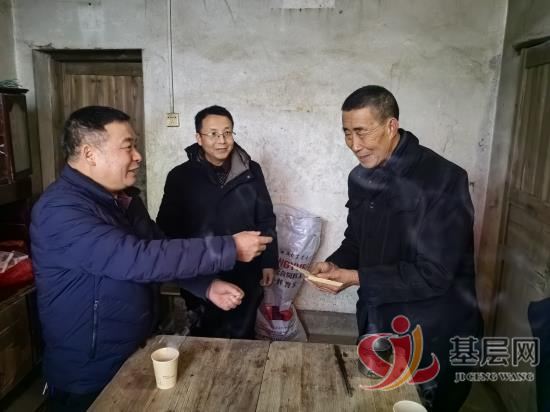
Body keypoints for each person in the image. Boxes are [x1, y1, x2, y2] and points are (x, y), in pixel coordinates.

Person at [30, 106, 272, 411]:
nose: (138, 156)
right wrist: (229, 248)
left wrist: (205, 285)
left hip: (131, 349)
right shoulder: (61, 211)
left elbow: (158, 245)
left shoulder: (122, 200)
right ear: (90, 153)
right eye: (128, 146)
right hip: (88, 368)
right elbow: (137, 259)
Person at [309, 86, 483, 412]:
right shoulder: (360, 178)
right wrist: (334, 266)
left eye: (362, 131)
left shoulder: (443, 180)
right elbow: (356, 241)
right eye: (347, 133)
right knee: (374, 402)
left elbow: (435, 274)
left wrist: (356, 277)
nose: (354, 145)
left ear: (391, 126)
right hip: (377, 322)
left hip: (431, 333)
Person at [157, 105, 278, 339]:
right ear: (199, 138)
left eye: (227, 132)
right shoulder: (180, 176)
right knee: (203, 333)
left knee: (243, 333)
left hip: (246, 268)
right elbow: (167, 227)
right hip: (200, 269)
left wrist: (268, 261)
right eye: (213, 134)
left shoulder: (251, 171)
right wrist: (181, 268)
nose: (222, 141)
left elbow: (265, 216)